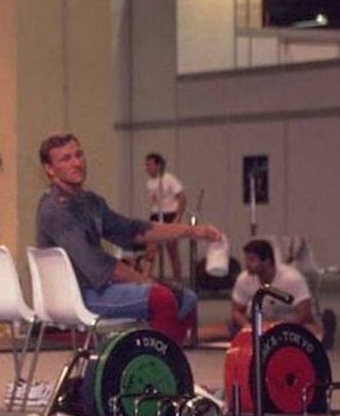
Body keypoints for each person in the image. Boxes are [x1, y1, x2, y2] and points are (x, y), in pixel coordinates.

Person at [36, 134, 222, 348]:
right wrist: (148, 282)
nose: (77, 163)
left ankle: (160, 361)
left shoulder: (89, 202)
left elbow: (133, 231)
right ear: (49, 169)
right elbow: (100, 266)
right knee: (163, 298)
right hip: (80, 294)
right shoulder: (58, 211)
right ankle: (154, 364)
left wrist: (191, 231)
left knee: (186, 299)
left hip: (94, 288)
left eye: (78, 155)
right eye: (66, 159)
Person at [229, 238, 336, 351]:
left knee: (312, 337)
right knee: (227, 330)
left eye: (251, 260)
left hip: (291, 323)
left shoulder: (292, 278)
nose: (246, 265)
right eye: (246, 259)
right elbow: (236, 311)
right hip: (261, 323)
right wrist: (248, 327)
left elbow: (305, 314)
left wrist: (279, 328)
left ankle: (325, 327)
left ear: (267, 261)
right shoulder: (244, 279)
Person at [142, 152, 187, 280]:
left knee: (172, 251)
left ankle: (177, 280)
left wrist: (178, 217)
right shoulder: (150, 182)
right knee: (150, 249)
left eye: (150, 164)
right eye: (146, 165)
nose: (147, 167)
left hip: (169, 216)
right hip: (156, 216)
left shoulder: (169, 179)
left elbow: (182, 197)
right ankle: (145, 278)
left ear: (158, 165)